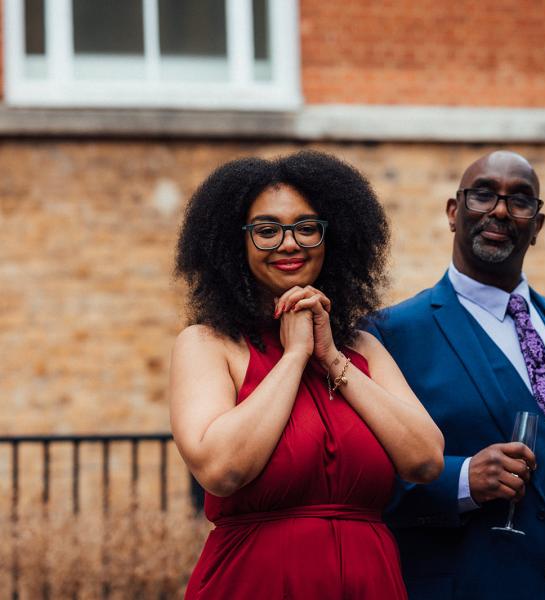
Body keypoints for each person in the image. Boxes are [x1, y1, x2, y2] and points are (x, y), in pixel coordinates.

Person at [169, 150, 444, 599]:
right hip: (255, 582)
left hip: (370, 580)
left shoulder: (362, 349)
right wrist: (294, 356)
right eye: (267, 230)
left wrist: (331, 356)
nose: (289, 243)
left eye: (306, 227)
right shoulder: (207, 344)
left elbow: (426, 460)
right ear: (234, 243)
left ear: (330, 238)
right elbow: (221, 470)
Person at [370, 150, 545, 600]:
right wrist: (461, 480)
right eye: (483, 194)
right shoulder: (390, 333)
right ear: (454, 213)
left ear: (537, 225)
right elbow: (365, 480)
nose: (499, 209)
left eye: (520, 200)